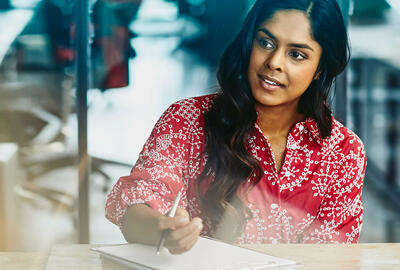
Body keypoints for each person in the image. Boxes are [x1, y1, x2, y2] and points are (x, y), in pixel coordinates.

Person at [105, 0, 367, 254]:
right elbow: (135, 209)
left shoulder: (344, 152)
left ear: (320, 68)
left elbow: (333, 257)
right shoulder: (186, 120)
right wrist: (161, 228)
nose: (274, 62)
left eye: (296, 54)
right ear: (249, 43)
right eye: (265, 42)